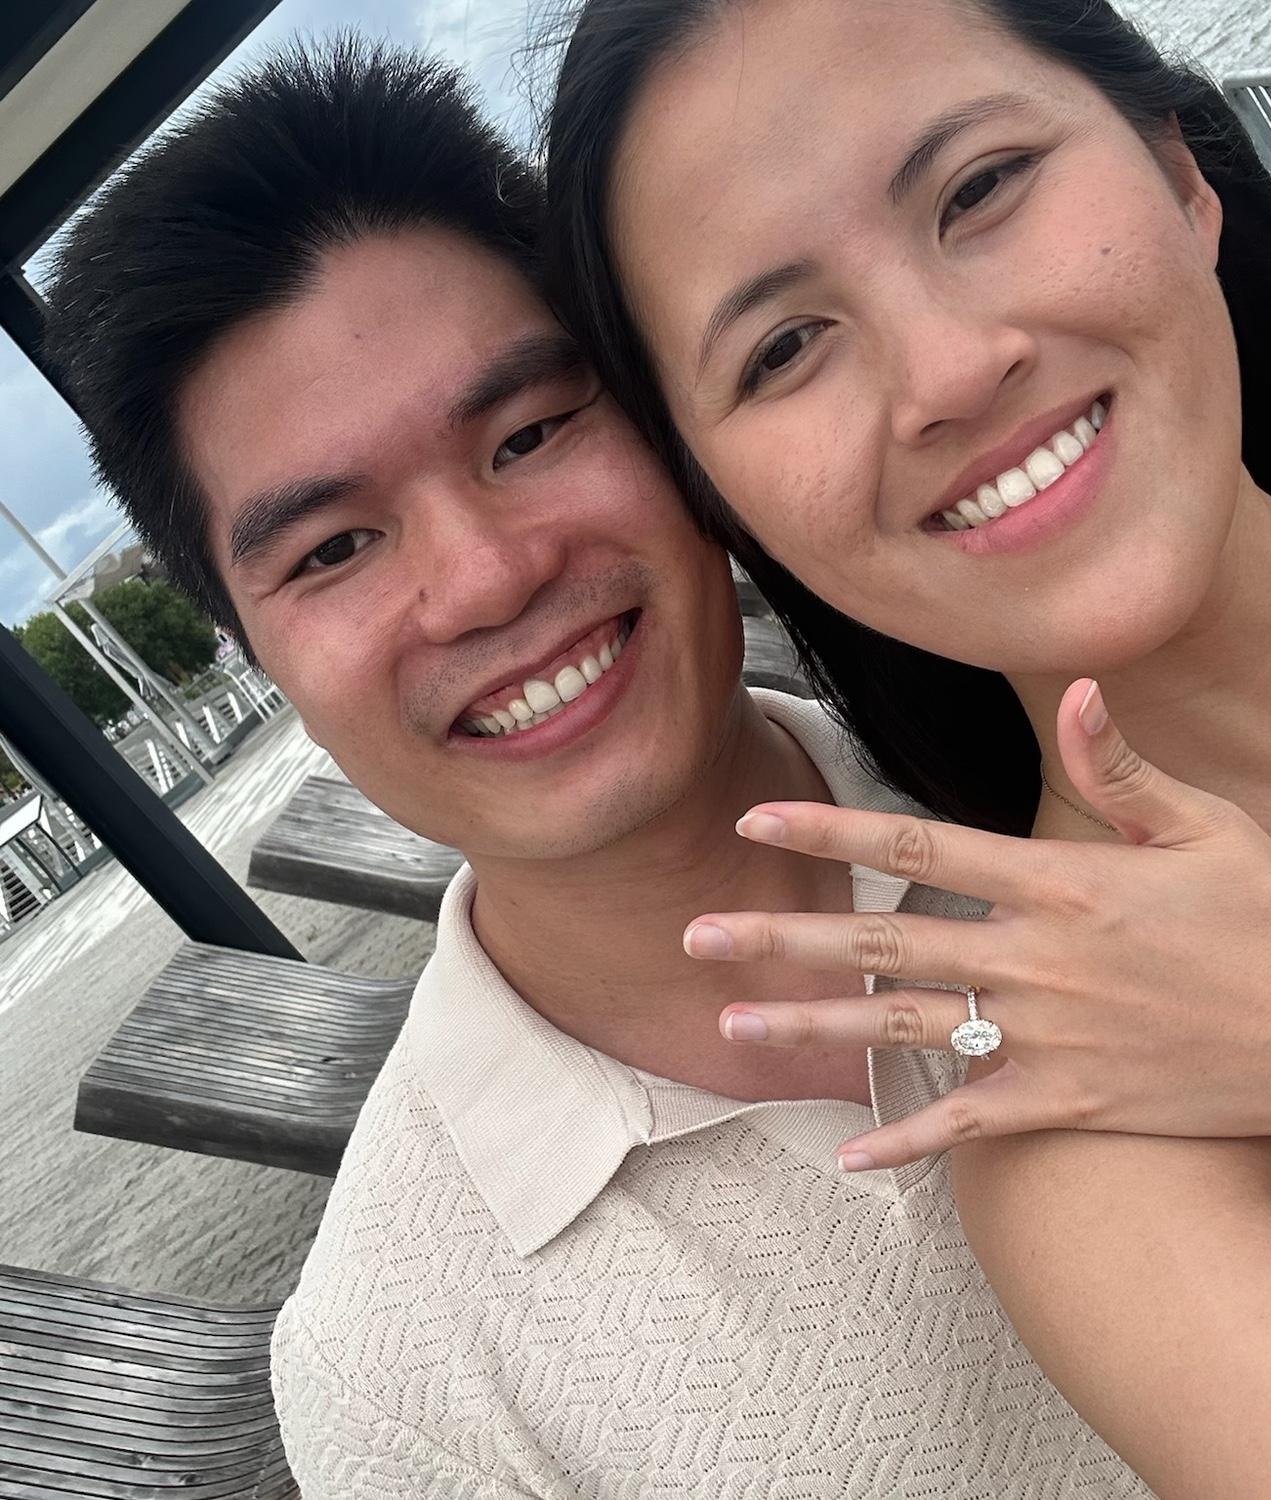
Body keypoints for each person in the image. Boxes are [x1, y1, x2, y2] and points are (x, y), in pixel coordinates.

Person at [42, 36, 1183, 1499]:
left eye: (527, 434)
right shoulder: (399, 1387)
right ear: (258, 653)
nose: (485, 577)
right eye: (333, 550)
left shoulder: (1086, 748)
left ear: (669, 426)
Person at [541, 0, 1271, 1488]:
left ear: (1180, 172)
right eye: (785, 348)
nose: (945, 372)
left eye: (979, 188)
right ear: (727, 506)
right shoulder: (1088, 1134)